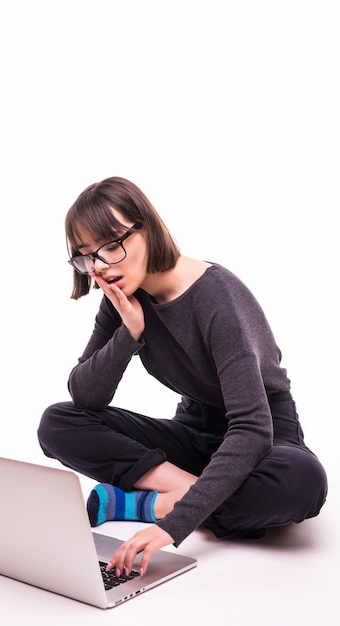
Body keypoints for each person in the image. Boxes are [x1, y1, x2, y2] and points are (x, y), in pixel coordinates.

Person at [38, 176, 328, 578]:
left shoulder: (218, 298)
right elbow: (85, 398)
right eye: (87, 256)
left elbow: (252, 429)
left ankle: (145, 503)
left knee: (302, 482)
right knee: (58, 421)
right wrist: (130, 334)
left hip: (264, 433)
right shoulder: (121, 294)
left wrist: (170, 523)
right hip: (194, 431)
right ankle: (206, 493)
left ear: (148, 228)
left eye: (111, 245)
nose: (101, 267)